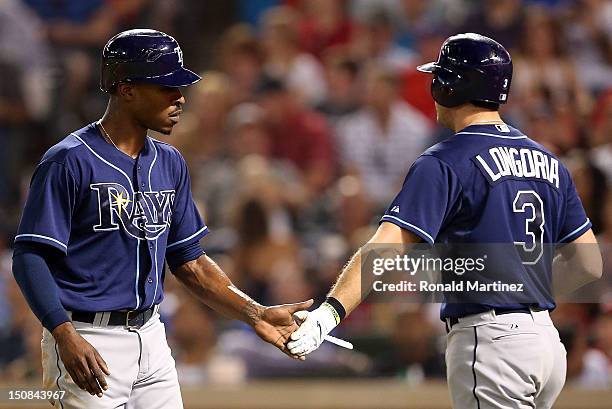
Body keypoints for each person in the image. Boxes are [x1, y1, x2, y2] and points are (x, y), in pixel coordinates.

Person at [288, 33, 603, 409]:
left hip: (492, 341)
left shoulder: (444, 160)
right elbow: (589, 263)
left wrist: (330, 312)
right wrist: (526, 295)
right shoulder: (549, 161)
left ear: (452, 85)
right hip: (546, 344)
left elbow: (386, 247)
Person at [11, 29, 312, 409]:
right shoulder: (69, 160)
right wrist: (63, 333)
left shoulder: (169, 162)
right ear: (127, 89)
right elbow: (30, 257)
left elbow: (192, 263)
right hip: (87, 336)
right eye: (166, 87)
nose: (180, 97)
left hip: (152, 336)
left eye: (180, 86)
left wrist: (255, 314)